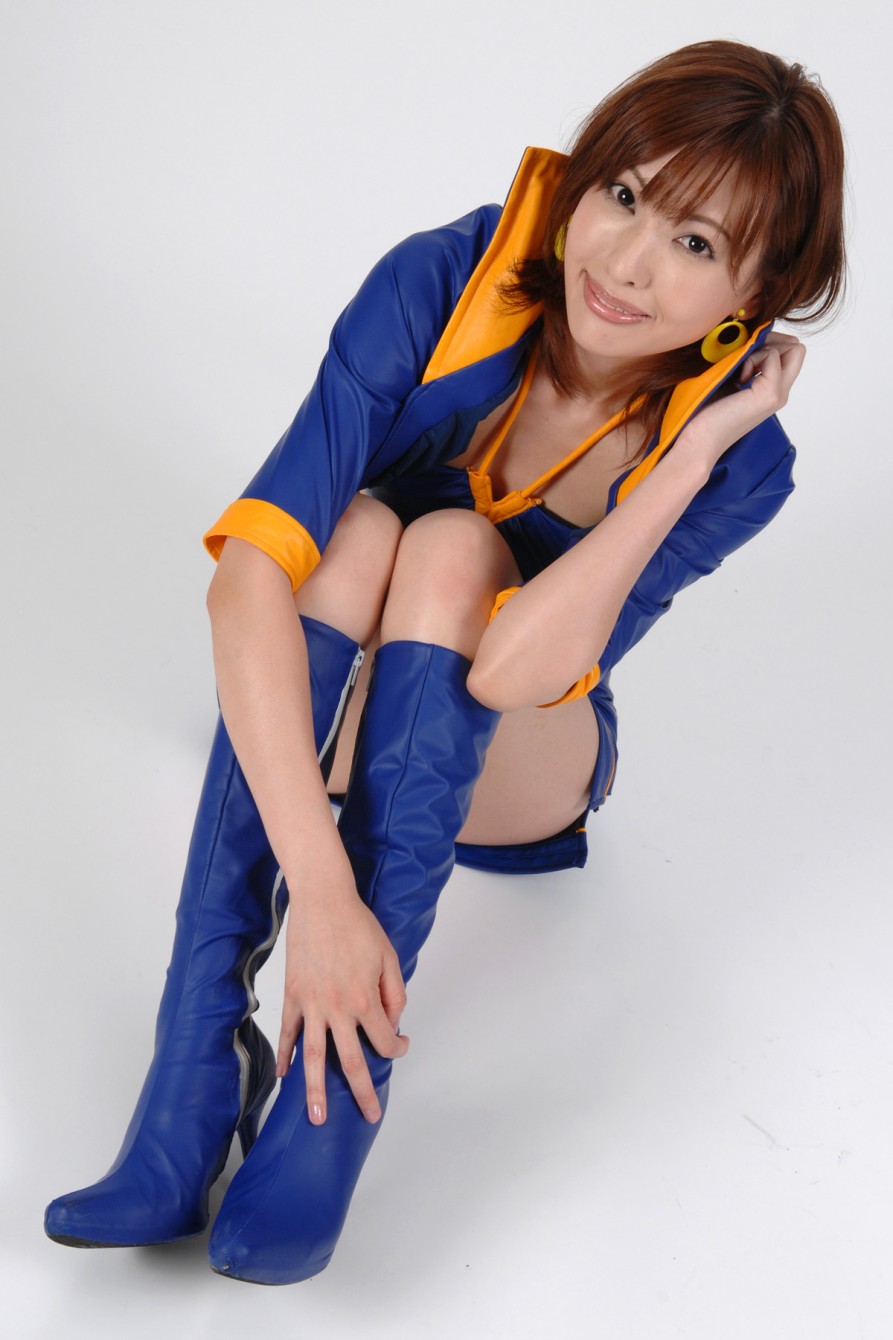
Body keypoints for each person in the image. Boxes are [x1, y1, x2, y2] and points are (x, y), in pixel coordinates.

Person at [45, 39, 846, 1285]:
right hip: (347, 715)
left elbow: (516, 669)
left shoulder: (739, 462)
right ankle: (194, 1061)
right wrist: (320, 890)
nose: (626, 262)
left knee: (452, 546)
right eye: (622, 194)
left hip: (526, 757)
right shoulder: (442, 278)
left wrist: (686, 457)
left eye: (694, 243)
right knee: (352, 530)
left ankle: (334, 1089)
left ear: (759, 291)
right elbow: (245, 579)